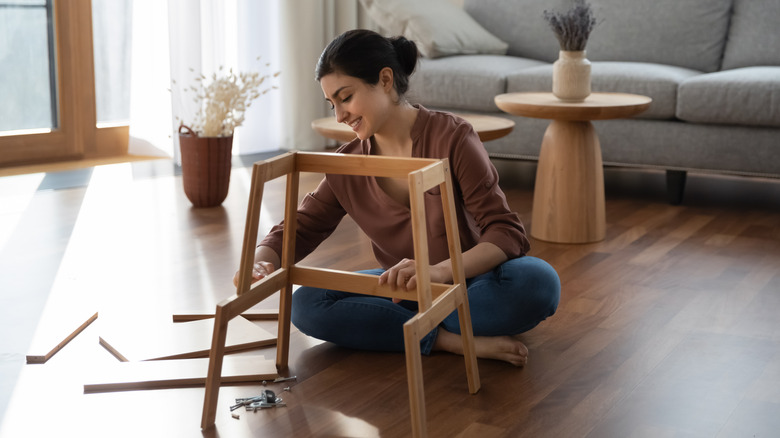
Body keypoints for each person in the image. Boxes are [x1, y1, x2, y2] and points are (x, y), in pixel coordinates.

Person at [234, 29, 560, 367]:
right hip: (401, 290)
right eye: (332, 104)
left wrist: (440, 272)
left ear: (385, 80)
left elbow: (506, 231)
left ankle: (402, 326)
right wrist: (261, 262)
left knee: (537, 282)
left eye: (346, 97)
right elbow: (298, 229)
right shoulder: (347, 164)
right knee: (306, 304)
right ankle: (447, 339)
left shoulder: (453, 138)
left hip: (471, 280)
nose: (339, 115)